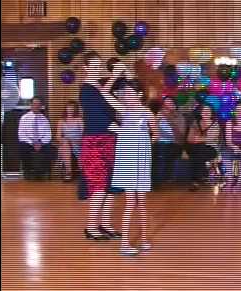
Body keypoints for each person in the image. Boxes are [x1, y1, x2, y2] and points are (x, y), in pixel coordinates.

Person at [100, 75, 157, 256]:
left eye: (131, 93)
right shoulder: (123, 111)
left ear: (140, 95)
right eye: (125, 93)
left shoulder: (147, 113)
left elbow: (154, 134)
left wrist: (145, 142)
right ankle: (124, 243)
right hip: (126, 161)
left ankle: (145, 238)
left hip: (141, 160)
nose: (127, 96)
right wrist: (117, 73)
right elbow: (104, 93)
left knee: (142, 202)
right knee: (130, 202)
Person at [79, 51, 122, 241]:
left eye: (99, 65)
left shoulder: (102, 87)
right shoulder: (86, 89)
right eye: (93, 66)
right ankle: (90, 227)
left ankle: (105, 224)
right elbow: (98, 118)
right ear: (85, 68)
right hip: (95, 142)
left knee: (112, 186)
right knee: (99, 186)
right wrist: (122, 131)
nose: (97, 69)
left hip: (110, 141)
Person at [18, 96, 57, 180]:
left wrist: (41, 143)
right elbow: (21, 134)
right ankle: (27, 172)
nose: (36, 106)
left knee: (50, 148)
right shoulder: (24, 118)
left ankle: (44, 172)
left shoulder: (44, 119)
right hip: (28, 142)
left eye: (38, 104)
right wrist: (32, 143)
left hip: (41, 142)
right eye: (34, 104)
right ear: (31, 105)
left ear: (41, 106)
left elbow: (48, 134)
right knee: (22, 146)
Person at [184, 104, 220, 192]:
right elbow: (189, 138)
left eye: (208, 111)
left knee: (196, 152)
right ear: (201, 112)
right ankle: (200, 177)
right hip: (195, 148)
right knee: (197, 150)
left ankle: (195, 181)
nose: (206, 112)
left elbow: (212, 138)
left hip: (211, 149)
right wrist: (200, 139)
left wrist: (198, 139)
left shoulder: (215, 124)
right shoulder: (195, 123)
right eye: (204, 111)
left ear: (211, 112)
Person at [152, 96, 187, 186]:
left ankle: (163, 178)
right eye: (165, 104)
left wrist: (169, 117)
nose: (167, 106)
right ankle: (153, 180)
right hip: (158, 141)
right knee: (152, 150)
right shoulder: (159, 115)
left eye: (170, 103)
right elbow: (151, 130)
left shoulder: (179, 116)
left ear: (175, 105)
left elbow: (181, 134)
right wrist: (156, 119)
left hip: (174, 142)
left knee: (164, 151)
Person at [56, 100, 83, 182]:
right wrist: (65, 141)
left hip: (77, 142)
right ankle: (69, 172)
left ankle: (77, 171)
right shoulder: (61, 121)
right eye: (69, 107)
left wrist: (75, 141)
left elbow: (83, 134)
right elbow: (58, 136)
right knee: (65, 143)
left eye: (72, 108)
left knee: (67, 143)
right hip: (65, 144)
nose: (70, 109)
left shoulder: (79, 119)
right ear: (66, 108)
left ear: (75, 109)